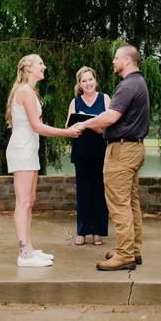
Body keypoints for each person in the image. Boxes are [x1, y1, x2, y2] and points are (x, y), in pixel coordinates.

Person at [70, 45, 150, 271]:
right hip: (134, 149)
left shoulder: (127, 85)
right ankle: (133, 249)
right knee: (131, 202)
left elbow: (111, 116)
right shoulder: (139, 83)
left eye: (116, 58)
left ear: (127, 60)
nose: (113, 61)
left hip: (123, 152)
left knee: (119, 204)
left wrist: (84, 123)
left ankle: (124, 255)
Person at [6, 53, 80, 267]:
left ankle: (29, 247)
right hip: (22, 149)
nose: (44, 67)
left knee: (30, 200)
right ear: (29, 68)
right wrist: (67, 133)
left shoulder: (30, 92)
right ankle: (24, 253)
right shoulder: (25, 92)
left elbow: (35, 127)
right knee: (23, 202)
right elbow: (37, 127)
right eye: (40, 64)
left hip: (29, 148)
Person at [65, 66, 110, 247]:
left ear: (95, 79)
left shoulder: (105, 98)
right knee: (83, 193)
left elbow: (109, 126)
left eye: (90, 79)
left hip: (100, 152)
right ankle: (81, 232)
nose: (88, 83)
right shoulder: (75, 102)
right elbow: (68, 127)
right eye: (84, 81)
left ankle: (98, 232)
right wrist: (78, 125)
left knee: (99, 192)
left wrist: (89, 123)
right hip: (81, 152)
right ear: (80, 84)